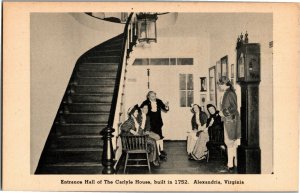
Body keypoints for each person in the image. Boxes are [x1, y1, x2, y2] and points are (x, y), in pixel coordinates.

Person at [218, 76, 241, 171]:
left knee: (230, 142)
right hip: (228, 120)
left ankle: (231, 164)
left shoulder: (230, 93)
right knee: (229, 142)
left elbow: (234, 108)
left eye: (219, 84)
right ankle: (231, 163)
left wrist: (223, 113)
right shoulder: (227, 92)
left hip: (231, 121)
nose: (219, 86)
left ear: (224, 84)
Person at [140, 91, 169, 157]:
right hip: (149, 123)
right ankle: (155, 152)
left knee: (160, 136)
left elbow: (165, 109)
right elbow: (141, 110)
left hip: (158, 122)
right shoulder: (145, 102)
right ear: (148, 96)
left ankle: (161, 150)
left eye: (154, 96)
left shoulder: (159, 101)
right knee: (153, 137)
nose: (154, 97)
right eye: (152, 96)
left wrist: (166, 106)